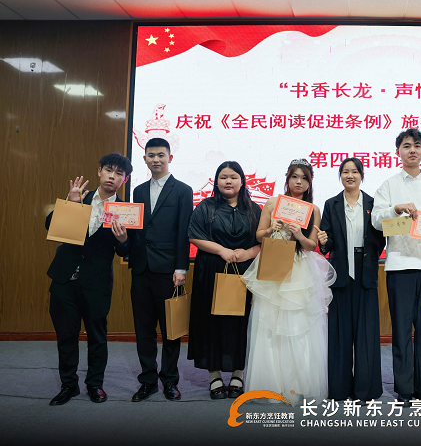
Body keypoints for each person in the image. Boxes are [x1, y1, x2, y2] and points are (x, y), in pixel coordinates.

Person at [242, 159, 335, 404]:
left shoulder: (313, 209)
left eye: (304, 178)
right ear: (287, 179)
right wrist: (270, 228)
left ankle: (298, 384)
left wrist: (298, 234)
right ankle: (273, 384)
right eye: (294, 176)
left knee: (299, 325)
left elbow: (311, 245)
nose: (299, 182)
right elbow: (259, 236)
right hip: (274, 265)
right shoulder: (273, 203)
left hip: (300, 269)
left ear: (309, 183)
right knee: (271, 325)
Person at [371, 128, 421, 407]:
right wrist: (396, 209)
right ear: (398, 152)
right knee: (402, 331)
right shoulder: (389, 185)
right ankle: (404, 389)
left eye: (417, 145)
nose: (412, 150)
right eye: (406, 146)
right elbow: (376, 220)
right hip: (399, 267)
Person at [45, 153, 133, 405]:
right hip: (64, 279)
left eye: (119, 173)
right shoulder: (80, 197)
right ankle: (68, 385)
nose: (112, 176)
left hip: (97, 282)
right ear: (99, 171)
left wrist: (123, 240)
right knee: (66, 335)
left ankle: (95, 384)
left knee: (97, 337)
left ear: (124, 180)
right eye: (108, 170)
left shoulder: (125, 211)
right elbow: (51, 225)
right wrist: (70, 204)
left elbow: (127, 251)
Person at [187, 162, 261, 399]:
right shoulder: (205, 206)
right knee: (212, 322)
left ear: (242, 181)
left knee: (241, 322)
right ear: (216, 181)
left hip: (245, 273)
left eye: (233, 177)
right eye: (223, 177)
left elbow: (265, 240)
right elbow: (194, 235)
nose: (228, 181)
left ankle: (238, 373)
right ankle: (214, 375)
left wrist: (248, 253)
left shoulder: (255, 209)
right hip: (211, 270)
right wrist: (221, 250)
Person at [128, 137, 193, 402]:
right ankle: (147, 381)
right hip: (141, 269)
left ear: (169, 158)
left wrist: (181, 268)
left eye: (161, 155)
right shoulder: (139, 190)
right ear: (144, 159)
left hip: (169, 271)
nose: (156, 159)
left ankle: (169, 380)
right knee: (143, 329)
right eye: (151, 155)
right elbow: (137, 229)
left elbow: (183, 231)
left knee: (170, 330)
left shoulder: (183, 190)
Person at [316, 158, 386, 402]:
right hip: (341, 274)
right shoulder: (331, 204)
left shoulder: (373, 204)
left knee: (367, 334)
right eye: (345, 172)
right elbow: (326, 241)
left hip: (366, 272)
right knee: (340, 334)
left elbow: (381, 237)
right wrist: (324, 241)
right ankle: (340, 389)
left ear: (361, 175)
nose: (350, 175)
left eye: (354, 171)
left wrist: (370, 254)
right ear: (340, 176)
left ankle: (366, 390)